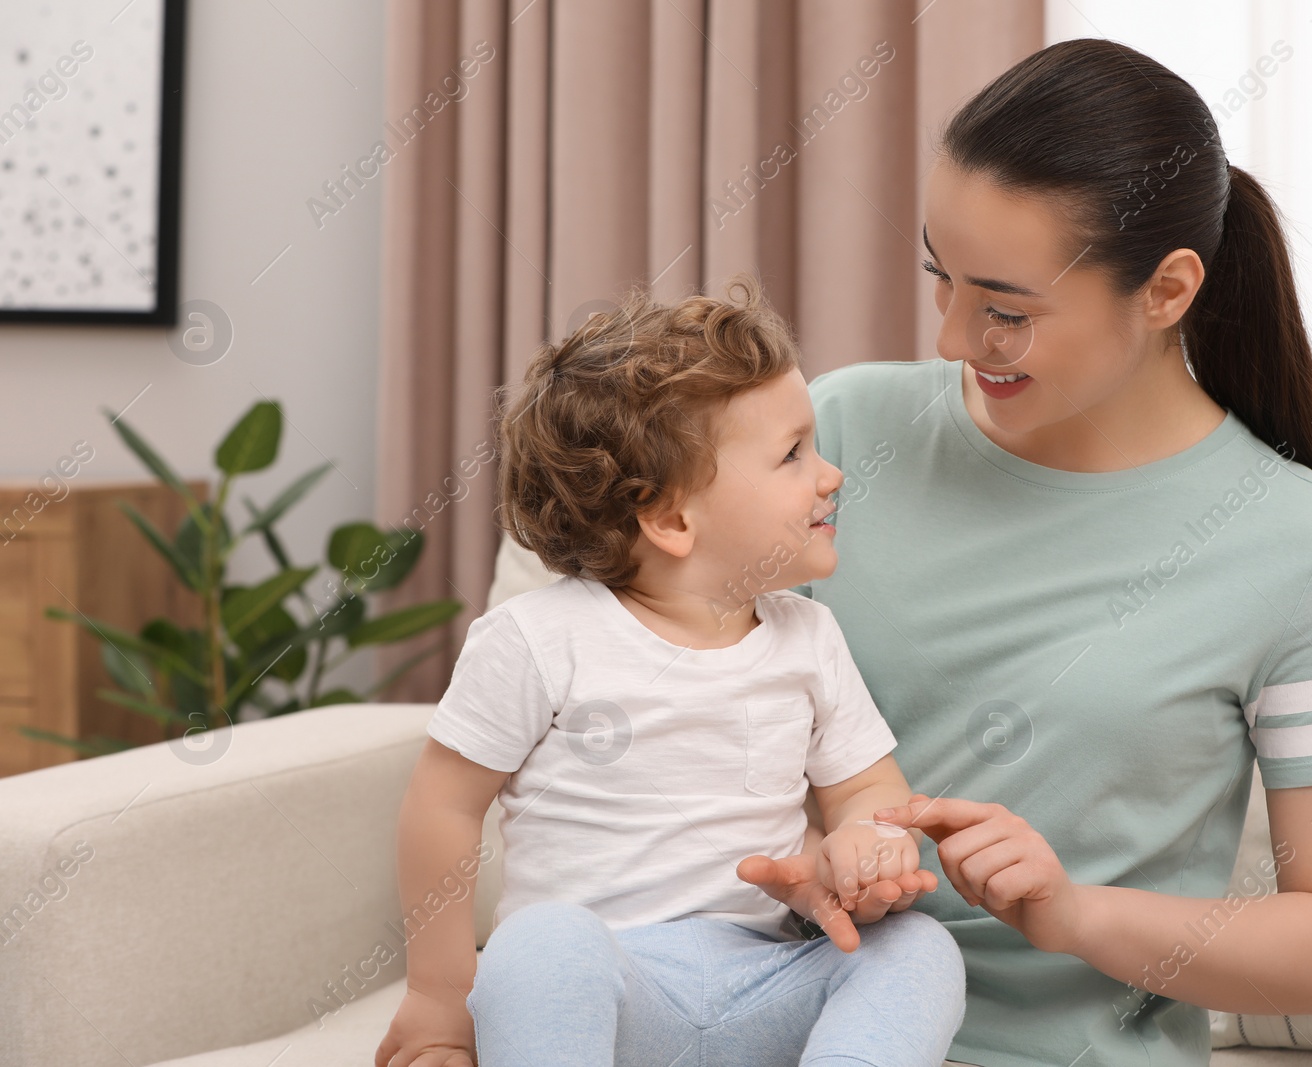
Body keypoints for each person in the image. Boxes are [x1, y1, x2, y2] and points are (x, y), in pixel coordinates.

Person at [736, 37, 1312, 1067]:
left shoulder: (1296, 548)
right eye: (940, 277)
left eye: (1006, 309)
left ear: (1168, 289)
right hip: (764, 1011)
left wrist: (1075, 911)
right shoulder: (843, 430)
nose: (955, 338)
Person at [374, 277, 968, 1067]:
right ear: (671, 518)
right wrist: (440, 1000)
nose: (830, 475)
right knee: (541, 943)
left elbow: (867, 788)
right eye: (793, 454)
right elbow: (442, 807)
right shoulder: (537, 637)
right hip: (613, 999)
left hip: (766, 983)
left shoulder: (810, 637)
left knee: (921, 950)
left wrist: (865, 842)